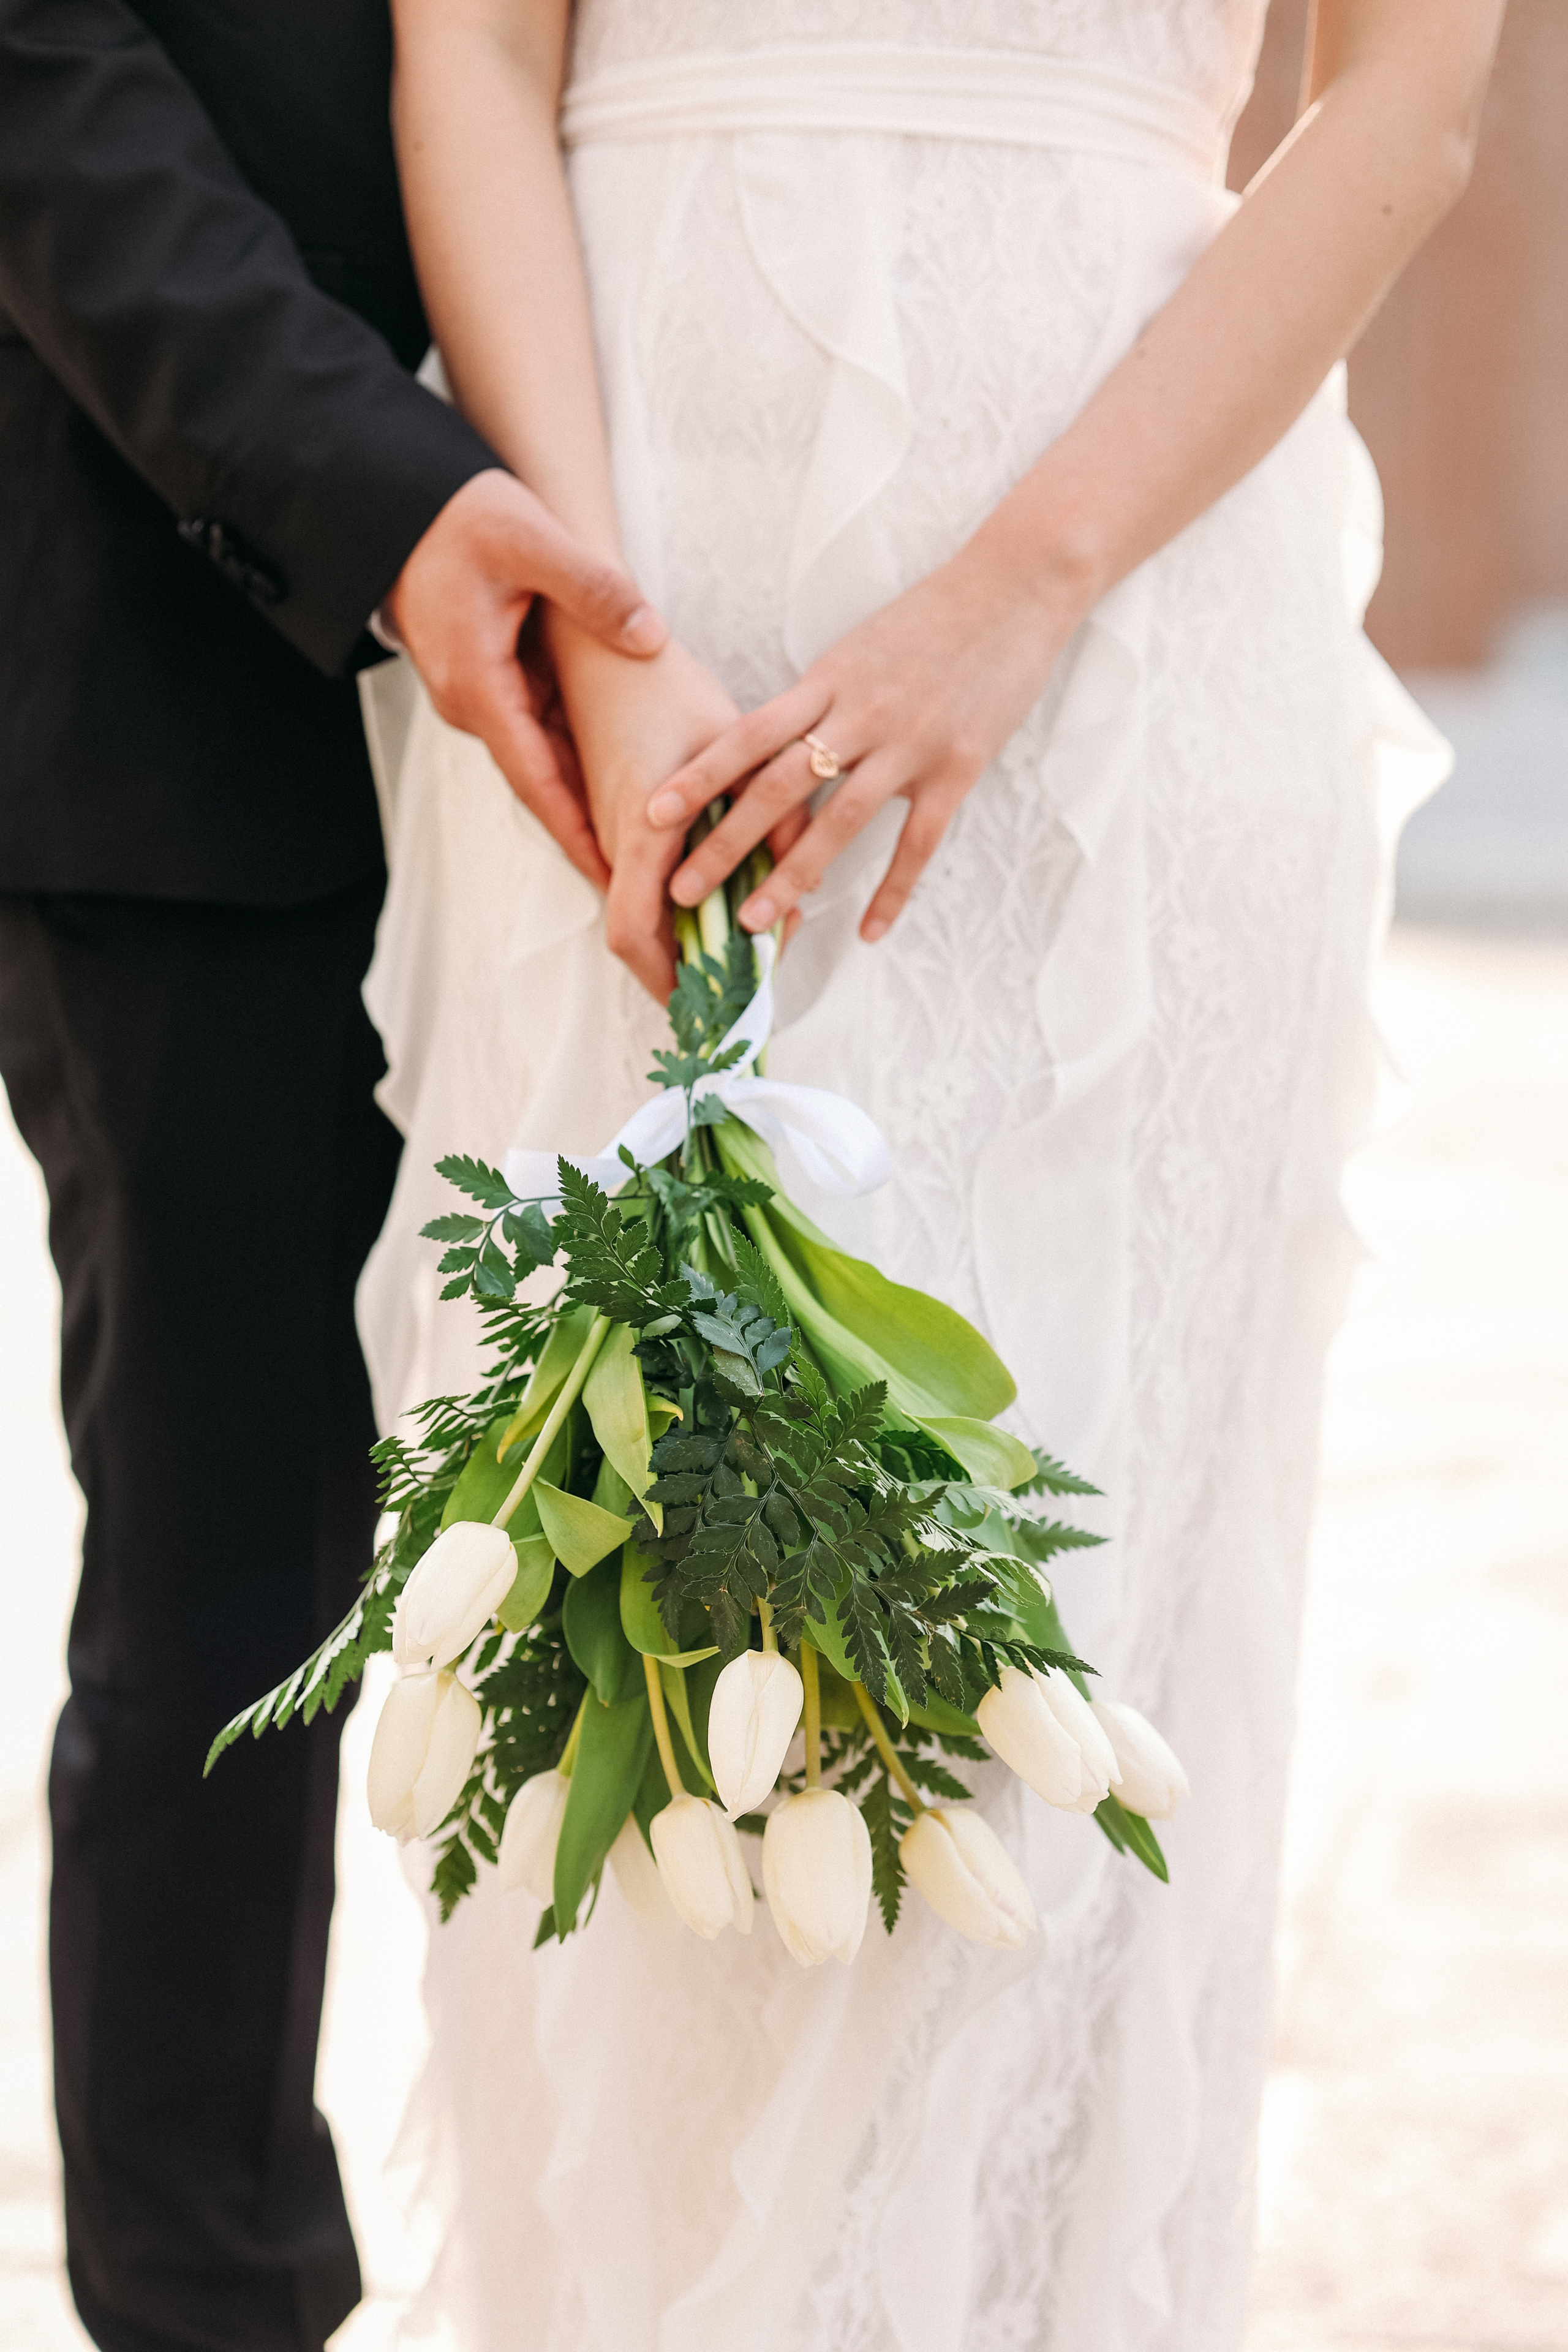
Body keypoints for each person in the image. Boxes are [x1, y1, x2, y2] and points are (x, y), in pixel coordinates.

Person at [365, 1, 1498, 2347]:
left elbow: (1411, 93)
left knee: (1060, 1663)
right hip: (644, 594)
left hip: (1131, 597)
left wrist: (1024, 585)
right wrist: (599, 617)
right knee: (625, 1656)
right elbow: (473, 47)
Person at [0, 3, 667, 2346]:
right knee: (227, 1577)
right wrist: (375, 493)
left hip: (721, 614)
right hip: (177, 657)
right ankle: (213, 2304)